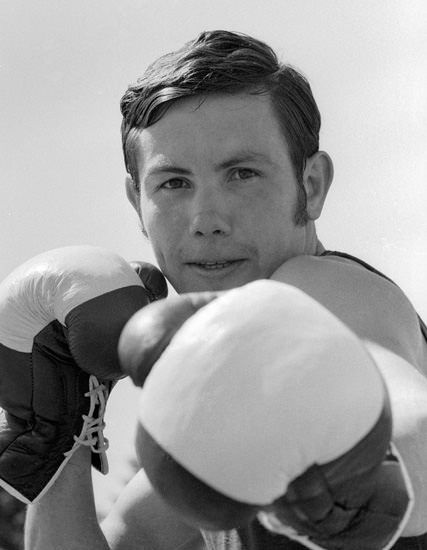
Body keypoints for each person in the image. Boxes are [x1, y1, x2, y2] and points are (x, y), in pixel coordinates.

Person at [22, 30, 427, 549]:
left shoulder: (318, 287)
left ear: (311, 186)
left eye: (242, 174)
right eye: (174, 183)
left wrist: (366, 477)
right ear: (137, 203)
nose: (206, 219)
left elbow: (410, 417)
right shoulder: (216, 420)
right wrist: (55, 437)